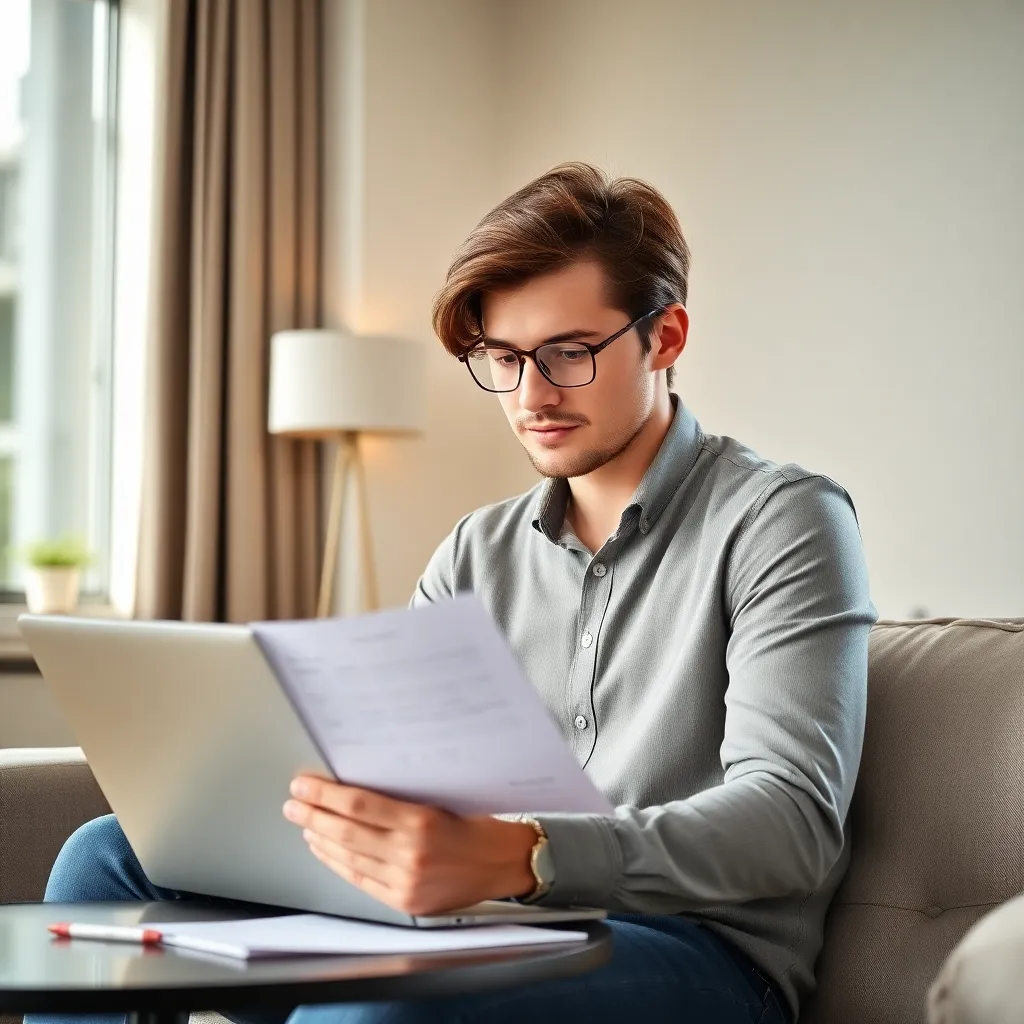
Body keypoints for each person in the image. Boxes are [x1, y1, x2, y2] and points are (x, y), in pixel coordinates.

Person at [38, 163, 875, 1024]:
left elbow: (791, 820)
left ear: (665, 337)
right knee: (107, 858)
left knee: (378, 1006)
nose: (532, 395)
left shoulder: (783, 519)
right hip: (477, 920)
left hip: (695, 952)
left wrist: (527, 855)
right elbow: (406, 780)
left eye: (570, 353)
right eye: (505, 359)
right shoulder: (474, 552)